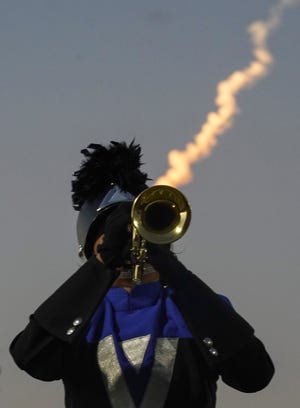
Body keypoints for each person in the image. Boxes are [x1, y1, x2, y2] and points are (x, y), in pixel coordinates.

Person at [10, 141, 274, 408]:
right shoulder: (81, 314)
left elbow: (254, 375)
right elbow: (31, 358)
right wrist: (104, 265)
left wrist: (170, 268)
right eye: (113, 236)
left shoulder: (195, 308)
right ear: (93, 247)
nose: (129, 245)